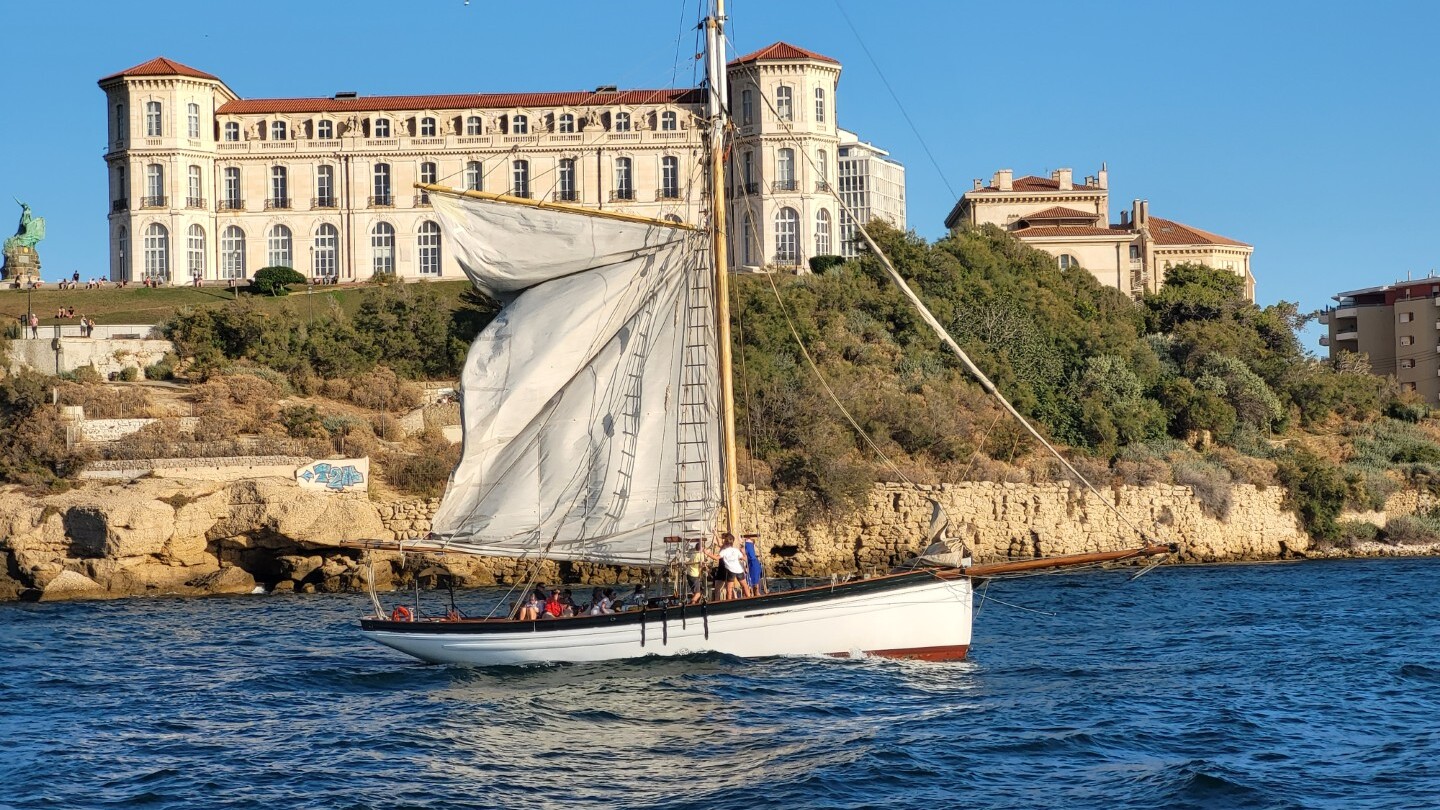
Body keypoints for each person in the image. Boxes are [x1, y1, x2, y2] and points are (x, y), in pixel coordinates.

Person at [708, 533, 746, 601]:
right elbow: (719, 543)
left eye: (724, 540)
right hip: (721, 568)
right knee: (719, 588)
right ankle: (718, 602)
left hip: (726, 569)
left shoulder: (725, 549)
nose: (723, 541)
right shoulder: (724, 549)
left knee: (729, 588)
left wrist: (708, 553)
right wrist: (716, 535)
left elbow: (717, 552)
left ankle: (733, 599)